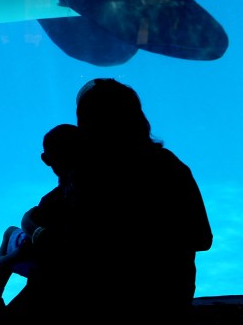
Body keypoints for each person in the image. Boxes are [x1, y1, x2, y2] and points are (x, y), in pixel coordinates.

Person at [67, 78, 212, 322]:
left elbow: (75, 244)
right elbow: (203, 239)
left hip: (103, 301)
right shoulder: (169, 166)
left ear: (85, 123)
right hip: (168, 299)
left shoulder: (85, 175)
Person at [0, 123, 79, 316]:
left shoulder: (55, 199)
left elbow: (40, 245)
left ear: (49, 159)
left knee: (10, 232)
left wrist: (4, 261)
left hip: (56, 271)